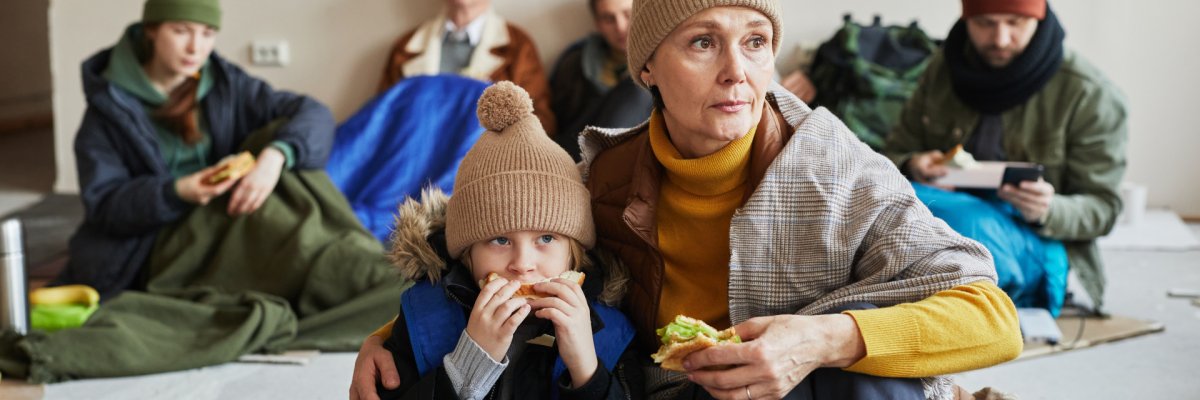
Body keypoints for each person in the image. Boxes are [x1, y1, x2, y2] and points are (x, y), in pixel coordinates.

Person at [353, 1, 1023, 399]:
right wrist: (389, 335)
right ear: (646, 67)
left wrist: (823, 338)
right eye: (703, 42)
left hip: (803, 387)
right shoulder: (605, 175)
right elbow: (504, 243)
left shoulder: (834, 169)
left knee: (878, 379)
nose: (739, 72)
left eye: (755, 43)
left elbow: (993, 317)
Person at [372, 81, 635, 400]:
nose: (523, 264)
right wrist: (467, 369)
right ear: (467, 253)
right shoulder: (423, 316)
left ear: (574, 253)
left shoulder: (613, 330)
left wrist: (586, 371)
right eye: (499, 240)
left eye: (546, 238)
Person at [59, 0, 338, 298]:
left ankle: (347, 264)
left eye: (207, 33)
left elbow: (314, 113)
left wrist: (276, 156)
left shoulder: (225, 83)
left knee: (285, 148)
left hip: (229, 217)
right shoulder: (107, 111)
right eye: (181, 31)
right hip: (157, 246)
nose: (196, 47)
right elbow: (105, 206)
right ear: (151, 30)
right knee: (307, 250)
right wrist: (178, 191)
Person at [883, 0, 1127, 313]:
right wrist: (912, 163)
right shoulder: (944, 68)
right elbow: (890, 154)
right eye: (985, 23)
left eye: (1015, 22)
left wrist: (1048, 209)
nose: (999, 39)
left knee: (959, 227)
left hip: (1032, 237)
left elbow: (1103, 209)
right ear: (965, 18)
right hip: (937, 213)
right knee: (874, 204)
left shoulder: (1089, 93)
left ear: (1038, 19)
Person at [378, 0, 556, 136]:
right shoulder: (405, 48)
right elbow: (379, 123)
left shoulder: (519, 46)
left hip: (486, 171)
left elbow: (539, 124)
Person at [549, 0, 652, 159]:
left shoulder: (663, 60)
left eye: (628, 14)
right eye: (609, 19)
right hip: (575, 154)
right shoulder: (575, 64)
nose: (620, 26)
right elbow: (561, 127)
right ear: (598, 24)